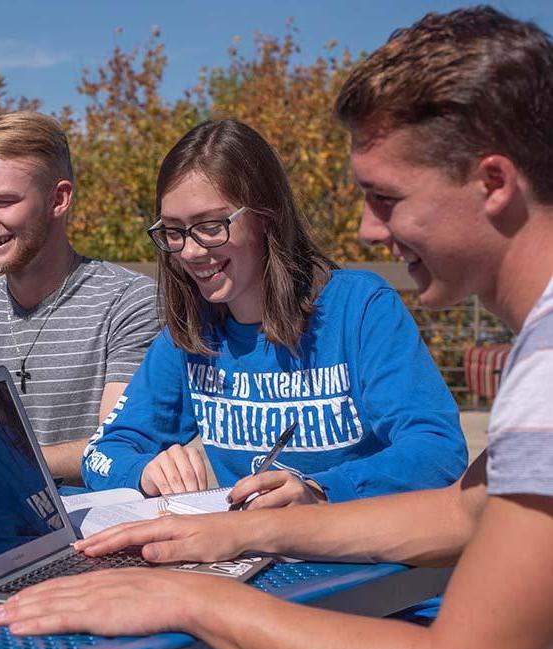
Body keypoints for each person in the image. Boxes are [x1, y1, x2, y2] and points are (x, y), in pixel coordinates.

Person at [0, 7, 553, 649]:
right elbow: (460, 510)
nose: (369, 230)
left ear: (494, 184)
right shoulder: (534, 354)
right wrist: (239, 536)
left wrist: (197, 597)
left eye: (386, 199)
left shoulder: (521, 361)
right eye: (174, 232)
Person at [81, 118, 467, 507]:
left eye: (211, 226)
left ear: (266, 217)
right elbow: (101, 454)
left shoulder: (360, 308)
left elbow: (438, 452)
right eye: (173, 230)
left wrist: (320, 492)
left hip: (355, 551)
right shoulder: (190, 333)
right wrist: (144, 472)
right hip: (249, 551)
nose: (190, 251)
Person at [0, 111, 160, 482]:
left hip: (93, 529)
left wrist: (3, 465)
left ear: (58, 199)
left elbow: (120, 445)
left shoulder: (130, 303)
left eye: (2, 201)